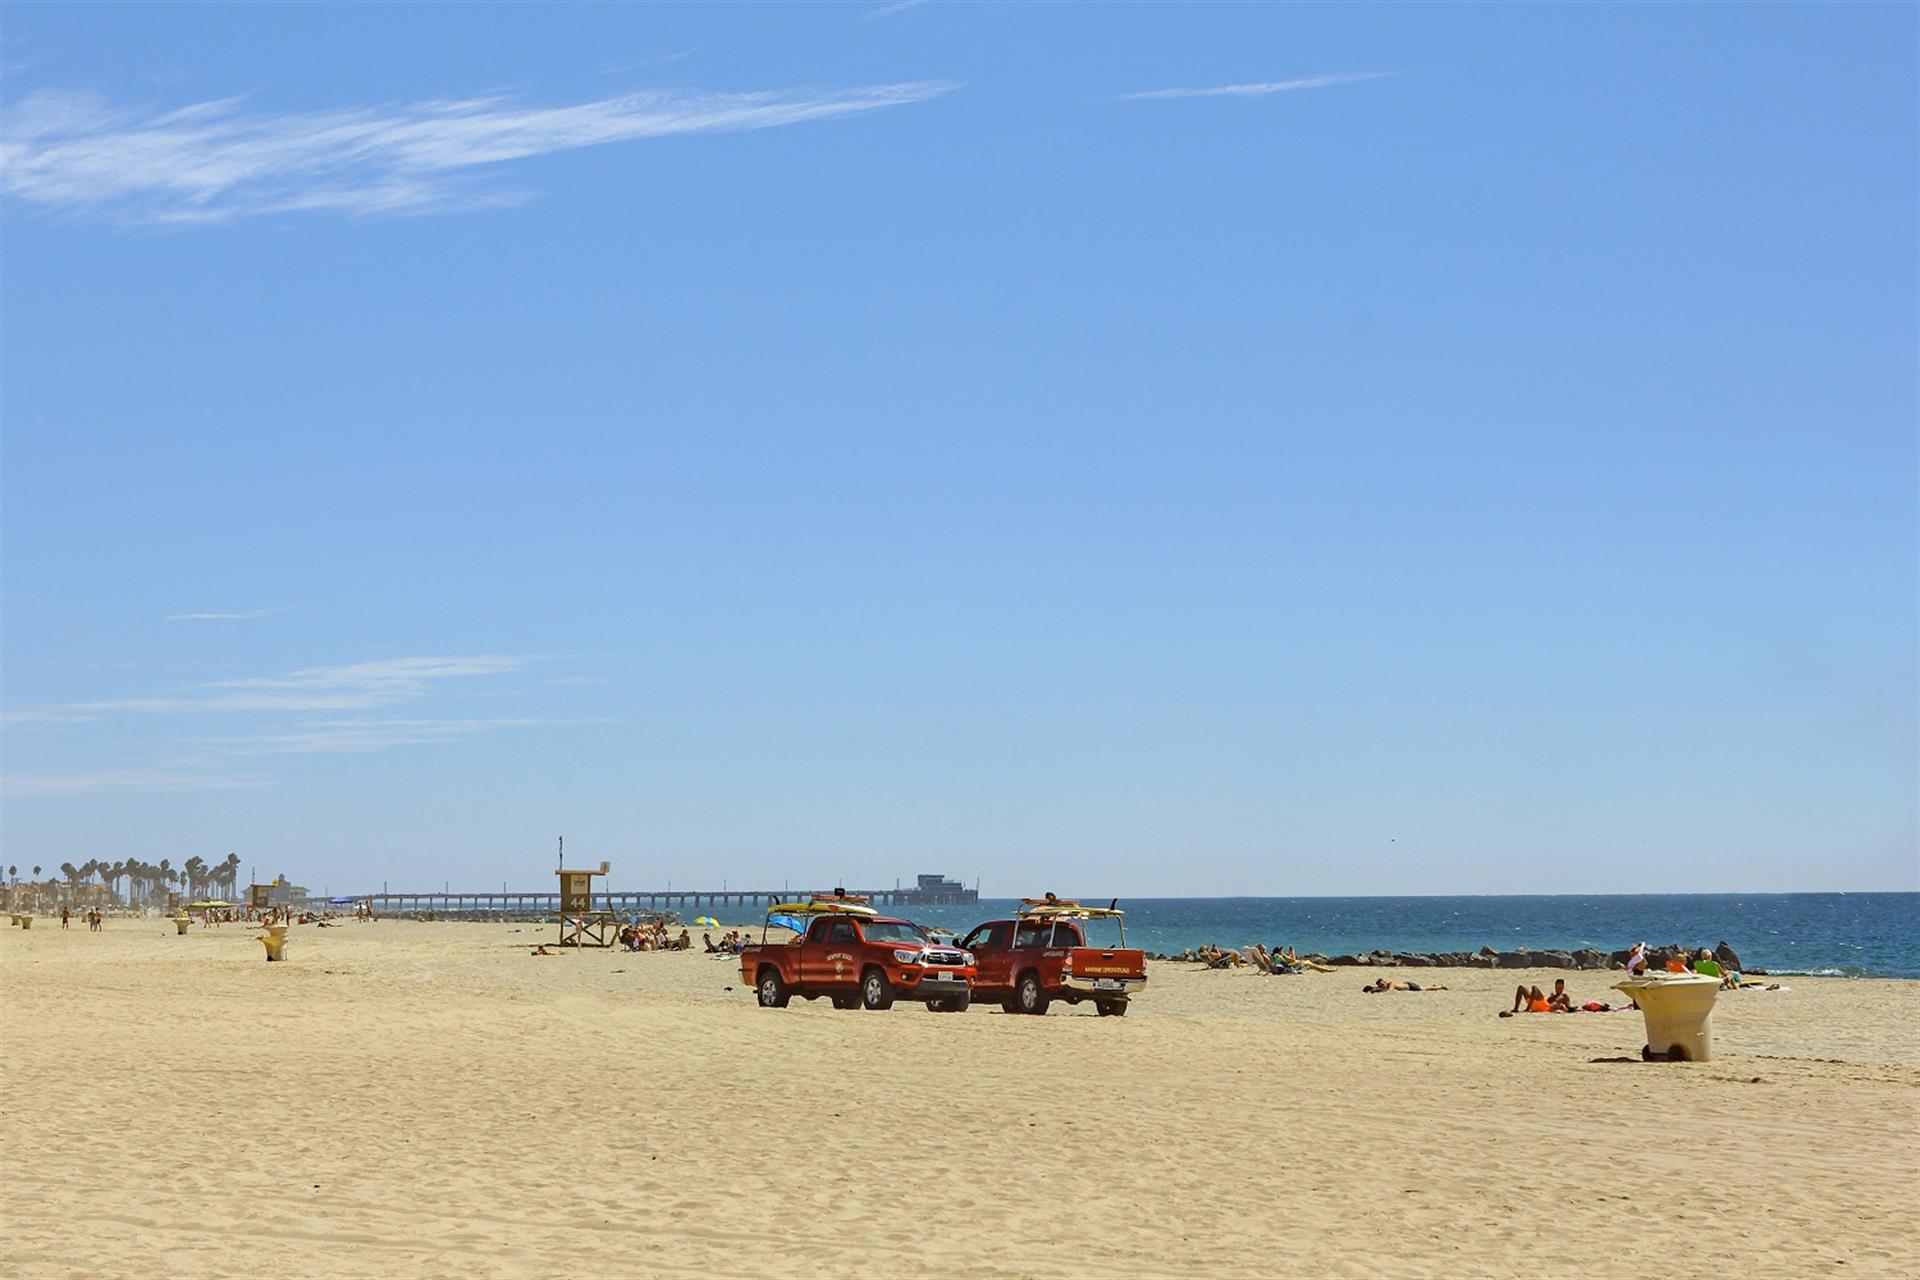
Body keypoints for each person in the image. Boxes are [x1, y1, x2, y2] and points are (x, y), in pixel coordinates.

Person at [1365, 978, 1446, 992]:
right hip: (1407, 985)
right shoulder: (1387, 985)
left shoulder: (1390, 984)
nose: (1383, 986)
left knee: (1425, 989)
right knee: (1425, 988)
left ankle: (1441, 987)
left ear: (1385, 982)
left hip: (1410, 986)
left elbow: (1389, 991)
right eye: (1381, 985)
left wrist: (1376, 990)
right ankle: (1435, 986)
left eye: (1383, 984)